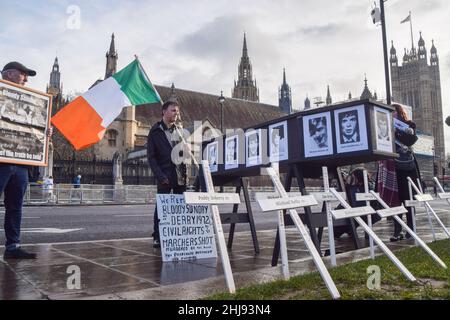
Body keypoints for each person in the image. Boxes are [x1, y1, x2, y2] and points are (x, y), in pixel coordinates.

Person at [1, 61, 41, 259]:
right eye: (23, 74)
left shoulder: (30, 103)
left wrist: (44, 132)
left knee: (15, 206)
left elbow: (33, 130)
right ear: (8, 74)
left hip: (21, 164)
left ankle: (12, 246)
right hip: (1, 162)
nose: (26, 79)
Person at [377, 104, 420, 242]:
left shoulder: (409, 125)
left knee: (409, 201)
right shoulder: (383, 125)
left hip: (407, 168)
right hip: (392, 168)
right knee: (395, 202)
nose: (392, 113)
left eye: (393, 111)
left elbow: (410, 140)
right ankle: (397, 231)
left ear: (400, 112)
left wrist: (397, 131)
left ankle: (411, 230)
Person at [147, 100, 187, 248]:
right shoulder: (155, 131)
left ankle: (175, 234)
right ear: (164, 112)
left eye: (177, 111)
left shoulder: (179, 131)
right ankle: (157, 236)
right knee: (161, 208)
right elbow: (151, 157)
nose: (176, 114)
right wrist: (160, 176)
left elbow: (182, 157)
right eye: (173, 111)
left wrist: (185, 175)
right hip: (164, 175)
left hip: (179, 176)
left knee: (178, 208)